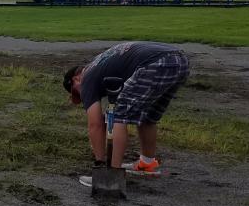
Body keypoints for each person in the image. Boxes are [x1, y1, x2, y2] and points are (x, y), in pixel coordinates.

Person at [63, 42, 190, 179]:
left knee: (117, 114)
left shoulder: (87, 77)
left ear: (76, 79)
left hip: (154, 63)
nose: (82, 96)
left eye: (77, 92)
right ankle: (147, 164)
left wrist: (99, 161)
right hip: (180, 60)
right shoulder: (101, 65)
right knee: (147, 116)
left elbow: (96, 124)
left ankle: (111, 173)